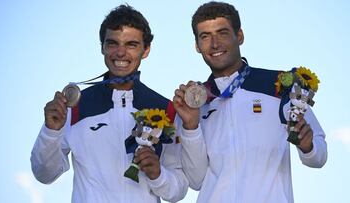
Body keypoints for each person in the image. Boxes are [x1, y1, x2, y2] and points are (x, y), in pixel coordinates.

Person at [31, 4, 188, 203]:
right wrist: (50, 132)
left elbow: (179, 189)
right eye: (113, 43)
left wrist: (158, 175)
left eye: (131, 44)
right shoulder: (74, 107)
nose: (120, 53)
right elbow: (44, 174)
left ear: (146, 50)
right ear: (103, 47)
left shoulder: (165, 110)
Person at [173, 1, 327, 203]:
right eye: (205, 36)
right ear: (197, 46)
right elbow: (196, 180)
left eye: (222, 33)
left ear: (240, 36)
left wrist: (308, 147)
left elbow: (319, 156)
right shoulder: (194, 102)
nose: (215, 43)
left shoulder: (280, 85)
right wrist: (191, 127)